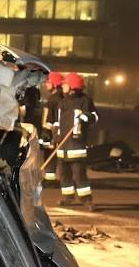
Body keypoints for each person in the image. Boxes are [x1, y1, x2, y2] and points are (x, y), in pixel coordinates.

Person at [55, 72, 99, 208]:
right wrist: (55, 136)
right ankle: (68, 197)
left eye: (65, 85)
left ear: (73, 87)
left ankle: (86, 199)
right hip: (62, 145)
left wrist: (85, 117)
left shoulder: (85, 101)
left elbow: (95, 117)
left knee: (79, 174)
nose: (63, 87)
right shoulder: (62, 102)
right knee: (64, 174)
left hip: (76, 145)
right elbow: (58, 121)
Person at [40, 72, 64, 183]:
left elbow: (52, 117)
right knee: (50, 155)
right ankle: (50, 177)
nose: (46, 84)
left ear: (55, 84)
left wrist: (51, 132)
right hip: (50, 131)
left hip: (51, 131)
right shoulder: (57, 97)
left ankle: (50, 179)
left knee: (50, 155)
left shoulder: (55, 99)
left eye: (48, 82)